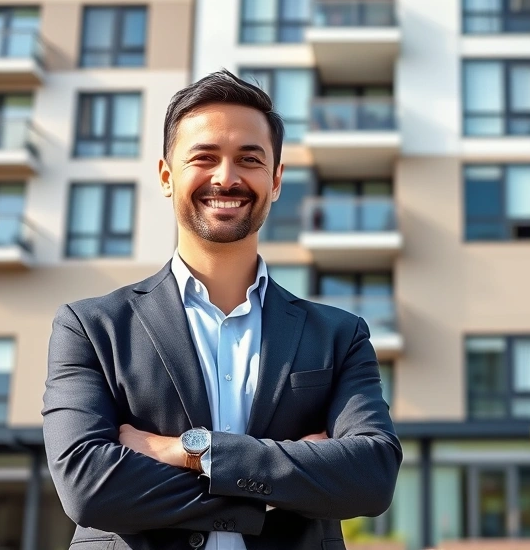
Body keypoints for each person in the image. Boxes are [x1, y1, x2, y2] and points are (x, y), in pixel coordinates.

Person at [42, 69, 401, 550]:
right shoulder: (91, 327)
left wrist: (188, 451)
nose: (226, 177)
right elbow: (88, 486)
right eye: (204, 158)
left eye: (248, 160)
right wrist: (280, 481)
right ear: (167, 177)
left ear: (275, 181)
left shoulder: (340, 335)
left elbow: (371, 476)